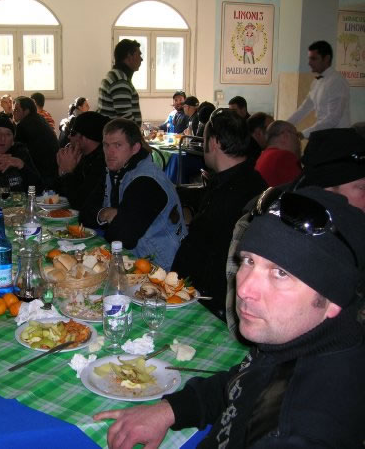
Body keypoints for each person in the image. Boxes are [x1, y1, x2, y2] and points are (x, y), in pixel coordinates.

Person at [95, 187, 365, 449]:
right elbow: (242, 382)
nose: (244, 289)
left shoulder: (299, 428)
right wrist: (171, 410)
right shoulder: (294, 339)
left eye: (280, 273)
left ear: (333, 299)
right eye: (249, 261)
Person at [225, 127, 365, 339]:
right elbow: (240, 322)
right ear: (327, 193)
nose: (244, 290)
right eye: (362, 188)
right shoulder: (263, 224)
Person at [171, 108, 267, 320]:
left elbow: (204, 253)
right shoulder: (250, 181)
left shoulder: (230, 193)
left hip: (211, 308)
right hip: (220, 298)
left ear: (213, 142)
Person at [80, 118, 186, 270]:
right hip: (134, 259)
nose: (110, 152)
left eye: (117, 145)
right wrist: (106, 214)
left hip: (160, 268)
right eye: (106, 145)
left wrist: (111, 219)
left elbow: (122, 237)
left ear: (135, 148)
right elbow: (84, 215)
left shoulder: (147, 182)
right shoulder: (113, 170)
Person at [287, 40, 351, 138]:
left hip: (338, 138)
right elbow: (304, 108)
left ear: (326, 59)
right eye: (309, 59)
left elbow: (333, 118)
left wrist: (304, 133)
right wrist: (284, 126)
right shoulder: (316, 82)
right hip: (323, 135)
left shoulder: (337, 81)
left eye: (314, 59)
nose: (309, 63)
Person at [56, 111, 111, 210]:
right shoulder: (82, 156)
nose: (69, 136)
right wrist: (62, 171)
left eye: (72, 133)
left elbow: (80, 203)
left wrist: (67, 172)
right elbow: (60, 196)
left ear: (84, 137)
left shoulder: (102, 163)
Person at [13, 96, 59, 191]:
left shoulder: (23, 125)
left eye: (17, 110)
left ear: (26, 111)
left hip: (41, 173)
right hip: (52, 171)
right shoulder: (40, 119)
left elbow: (17, 151)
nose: (14, 112)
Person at [97, 39, 143, 127]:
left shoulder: (116, 75)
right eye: (139, 54)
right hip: (119, 134)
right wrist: (137, 134)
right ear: (129, 56)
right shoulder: (120, 81)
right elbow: (126, 120)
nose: (141, 59)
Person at [255, 120, 302, 187]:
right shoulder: (284, 156)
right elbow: (301, 188)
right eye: (296, 135)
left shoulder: (262, 157)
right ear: (285, 135)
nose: (298, 141)